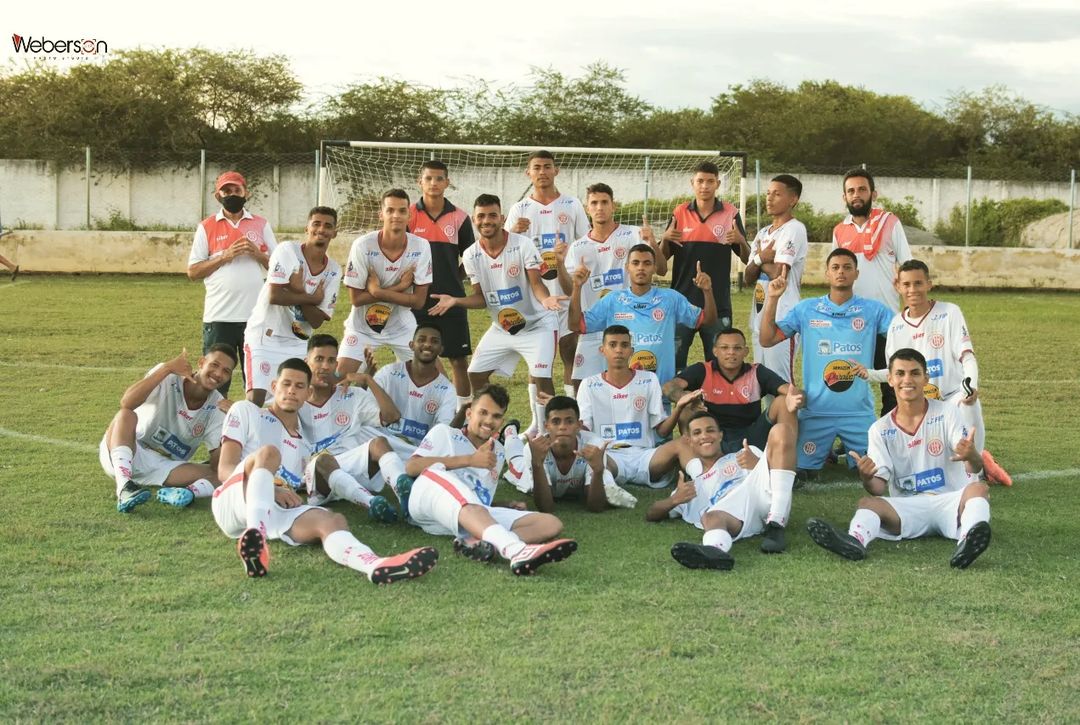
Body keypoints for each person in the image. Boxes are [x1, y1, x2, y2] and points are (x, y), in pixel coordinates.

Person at [213, 358, 438, 583]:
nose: (291, 391)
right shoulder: (246, 411)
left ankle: (374, 565)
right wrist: (273, 490)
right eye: (286, 384)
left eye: (299, 386)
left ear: (308, 392)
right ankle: (255, 537)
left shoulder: (305, 445)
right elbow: (225, 471)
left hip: (272, 510)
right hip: (234, 498)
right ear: (274, 387)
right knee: (269, 453)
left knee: (332, 520)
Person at [806, 348, 993, 569]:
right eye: (900, 374)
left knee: (978, 489)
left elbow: (973, 465)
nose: (907, 380)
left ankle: (967, 542)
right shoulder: (880, 429)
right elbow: (877, 487)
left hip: (950, 501)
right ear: (890, 379)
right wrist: (866, 477)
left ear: (926, 378)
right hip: (907, 506)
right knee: (868, 503)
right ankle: (854, 541)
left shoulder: (948, 413)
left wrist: (971, 454)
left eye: (915, 373)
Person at [859, 259, 1011, 485]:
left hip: (951, 397)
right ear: (898, 287)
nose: (913, 290)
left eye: (918, 283)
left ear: (929, 284)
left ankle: (977, 470)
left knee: (968, 404)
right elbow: (895, 373)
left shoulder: (949, 312)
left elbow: (967, 356)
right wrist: (867, 373)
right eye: (907, 284)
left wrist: (970, 386)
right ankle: (982, 461)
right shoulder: (896, 326)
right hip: (922, 405)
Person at [403, 384, 577, 576]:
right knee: (439, 474)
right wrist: (469, 460)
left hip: (467, 518)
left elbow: (479, 499)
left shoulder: (498, 451)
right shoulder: (445, 433)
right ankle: (515, 549)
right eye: (483, 412)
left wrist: (503, 504)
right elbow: (412, 467)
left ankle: (484, 546)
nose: (488, 420)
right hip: (427, 504)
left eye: (496, 416)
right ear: (469, 413)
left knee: (550, 524)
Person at [428, 194, 565, 435]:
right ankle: (494, 425)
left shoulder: (522, 245)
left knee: (542, 376)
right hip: (502, 327)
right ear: (474, 219)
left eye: (492, 215)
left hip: (538, 325)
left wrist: (546, 299)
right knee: (475, 375)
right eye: (481, 216)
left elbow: (537, 284)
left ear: (502, 218)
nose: (487, 220)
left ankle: (549, 433)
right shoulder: (471, 255)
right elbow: (481, 298)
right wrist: (456, 300)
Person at [758, 248, 893, 475]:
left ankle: (838, 451)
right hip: (816, 411)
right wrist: (772, 298)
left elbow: (905, 333)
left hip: (859, 413)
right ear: (827, 274)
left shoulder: (874, 310)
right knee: (802, 470)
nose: (841, 272)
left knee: (873, 471)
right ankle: (825, 450)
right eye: (835, 268)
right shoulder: (806, 309)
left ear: (856, 274)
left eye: (847, 268)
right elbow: (767, 339)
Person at [646, 410, 797, 569]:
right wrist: (674, 500)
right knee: (710, 517)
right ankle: (715, 552)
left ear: (720, 435)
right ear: (689, 442)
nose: (704, 436)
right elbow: (651, 514)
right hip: (733, 517)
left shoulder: (744, 454)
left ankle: (776, 525)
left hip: (761, 500)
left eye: (710, 430)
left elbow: (782, 476)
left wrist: (759, 464)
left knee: (781, 430)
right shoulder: (691, 487)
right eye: (697, 433)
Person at [103, 346, 236, 513]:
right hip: (131, 449)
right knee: (125, 416)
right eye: (214, 365)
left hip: (166, 467)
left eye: (226, 371)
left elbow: (218, 465)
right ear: (201, 362)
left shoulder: (218, 407)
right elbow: (126, 403)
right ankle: (124, 487)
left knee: (225, 474)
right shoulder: (169, 375)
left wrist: (232, 425)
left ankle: (186, 493)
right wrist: (166, 368)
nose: (218, 374)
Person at [505, 150, 591, 402]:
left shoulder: (571, 204)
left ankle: (571, 408)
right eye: (537, 167)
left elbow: (585, 241)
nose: (542, 172)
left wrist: (570, 253)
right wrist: (512, 231)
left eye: (547, 166)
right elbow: (505, 251)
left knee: (570, 350)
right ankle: (539, 420)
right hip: (534, 294)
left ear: (556, 171)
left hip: (564, 289)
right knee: (540, 357)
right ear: (528, 173)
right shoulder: (519, 209)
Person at [561, 182, 665, 391]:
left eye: (604, 202)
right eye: (594, 203)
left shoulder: (633, 234)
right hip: (594, 325)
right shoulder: (578, 247)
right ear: (587, 208)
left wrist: (653, 242)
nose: (599, 207)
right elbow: (567, 290)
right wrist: (572, 279)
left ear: (613, 206)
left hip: (632, 324)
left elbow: (661, 269)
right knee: (582, 385)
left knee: (636, 384)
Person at [570, 244, 715, 387]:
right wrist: (576, 287)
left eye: (647, 263)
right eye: (635, 263)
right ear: (627, 268)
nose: (641, 268)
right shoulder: (612, 300)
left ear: (654, 268)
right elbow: (575, 325)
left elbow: (708, 320)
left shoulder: (671, 299)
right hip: (621, 391)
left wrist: (707, 291)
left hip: (659, 392)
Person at [300, 334, 410, 523]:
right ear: (306, 362)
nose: (325, 366)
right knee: (323, 460)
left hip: (354, 467)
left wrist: (368, 379)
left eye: (331, 360)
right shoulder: (296, 400)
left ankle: (407, 501)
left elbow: (392, 417)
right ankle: (372, 503)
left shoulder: (353, 395)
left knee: (379, 443)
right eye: (319, 359)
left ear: (337, 365)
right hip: (320, 476)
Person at [577, 325, 703, 488]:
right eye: (612, 345)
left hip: (645, 457)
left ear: (631, 351)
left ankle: (705, 482)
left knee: (684, 443)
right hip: (610, 456)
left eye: (624, 345)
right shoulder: (588, 385)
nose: (619, 350)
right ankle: (608, 486)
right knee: (593, 461)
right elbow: (584, 430)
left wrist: (678, 407)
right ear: (603, 350)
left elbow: (662, 431)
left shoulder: (649, 379)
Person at [242, 206, 342, 407]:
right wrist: (309, 297)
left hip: (297, 342)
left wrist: (296, 291)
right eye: (316, 224)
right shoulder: (287, 251)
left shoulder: (333, 270)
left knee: (294, 400)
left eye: (328, 226)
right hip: (264, 336)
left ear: (334, 232)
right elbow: (275, 295)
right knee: (256, 398)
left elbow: (316, 320)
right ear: (307, 228)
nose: (321, 229)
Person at [187, 171, 276, 396]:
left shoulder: (261, 224)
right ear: (218, 196)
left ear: (246, 193)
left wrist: (257, 254)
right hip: (219, 318)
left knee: (256, 381)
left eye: (236, 190)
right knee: (214, 382)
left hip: (255, 318)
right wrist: (224, 256)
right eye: (226, 191)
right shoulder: (206, 226)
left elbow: (278, 267)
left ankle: (253, 426)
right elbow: (193, 271)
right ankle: (211, 427)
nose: (232, 194)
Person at [832, 168, 913, 414]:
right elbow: (836, 275)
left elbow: (908, 267)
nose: (856, 195)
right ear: (844, 197)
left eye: (862, 189)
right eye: (851, 191)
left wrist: (911, 313)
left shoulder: (890, 222)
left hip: (885, 322)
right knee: (846, 382)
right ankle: (851, 439)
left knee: (891, 384)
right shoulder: (839, 231)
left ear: (873, 193)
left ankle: (892, 439)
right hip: (850, 322)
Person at [660, 161, 750, 372]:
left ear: (717, 183)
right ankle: (675, 405)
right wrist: (663, 240)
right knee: (673, 365)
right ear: (693, 183)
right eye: (700, 181)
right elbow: (661, 262)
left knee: (721, 367)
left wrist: (741, 241)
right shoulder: (680, 212)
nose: (705, 186)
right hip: (682, 304)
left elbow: (747, 258)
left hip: (717, 304)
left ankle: (716, 405)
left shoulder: (730, 213)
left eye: (710, 181)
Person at [663, 328, 804, 454]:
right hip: (712, 438)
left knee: (785, 401)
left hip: (751, 437)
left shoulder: (757, 372)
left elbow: (794, 392)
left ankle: (787, 465)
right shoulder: (702, 370)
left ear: (745, 352)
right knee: (685, 405)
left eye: (737, 348)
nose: (731, 352)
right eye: (724, 347)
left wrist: (798, 398)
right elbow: (669, 387)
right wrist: (685, 397)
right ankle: (693, 461)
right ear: (715, 351)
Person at [339, 189, 432, 375]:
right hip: (362, 327)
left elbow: (419, 301)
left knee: (435, 377)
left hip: (401, 326)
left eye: (401, 211)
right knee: (340, 379)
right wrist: (399, 288)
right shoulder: (363, 245)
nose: (396, 215)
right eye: (390, 210)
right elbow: (356, 299)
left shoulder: (421, 246)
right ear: (381, 214)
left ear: (409, 214)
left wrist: (378, 292)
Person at [408, 160, 476, 410]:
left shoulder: (460, 217)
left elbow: (470, 258)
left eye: (439, 179)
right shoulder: (409, 215)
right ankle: (429, 406)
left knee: (458, 359)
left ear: (447, 183)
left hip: (451, 298)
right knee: (421, 355)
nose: (434, 183)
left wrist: (454, 278)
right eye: (429, 178)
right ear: (420, 182)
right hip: (416, 299)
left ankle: (463, 410)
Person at [513, 395, 637, 512]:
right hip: (525, 470)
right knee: (514, 460)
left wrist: (599, 471)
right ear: (546, 426)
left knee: (602, 476)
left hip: (576, 487)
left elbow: (596, 507)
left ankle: (608, 482)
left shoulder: (594, 445)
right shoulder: (534, 449)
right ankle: (510, 433)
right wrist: (537, 464)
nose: (562, 427)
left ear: (579, 425)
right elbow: (546, 508)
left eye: (569, 421)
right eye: (556, 422)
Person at [744, 174, 808, 383]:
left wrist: (759, 262)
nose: (769, 199)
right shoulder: (763, 232)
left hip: (783, 318)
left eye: (777, 194)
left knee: (779, 382)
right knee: (761, 382)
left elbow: (780, 273)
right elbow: (747, 276)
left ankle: (787, 417)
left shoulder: (794, 229)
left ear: (793, 199)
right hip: (759, 318)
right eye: (768, 194)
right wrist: (762, 258)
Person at [372, 322, 458, 448]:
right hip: (379, 446)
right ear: (411, 345)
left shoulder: (447, 390)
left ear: (441, 349)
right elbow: (366, 411)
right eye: (421, 340)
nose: (428, 344)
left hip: (415, 453)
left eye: (434, 341)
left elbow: (442, 431)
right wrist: (365, 380)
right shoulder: (388, 373)